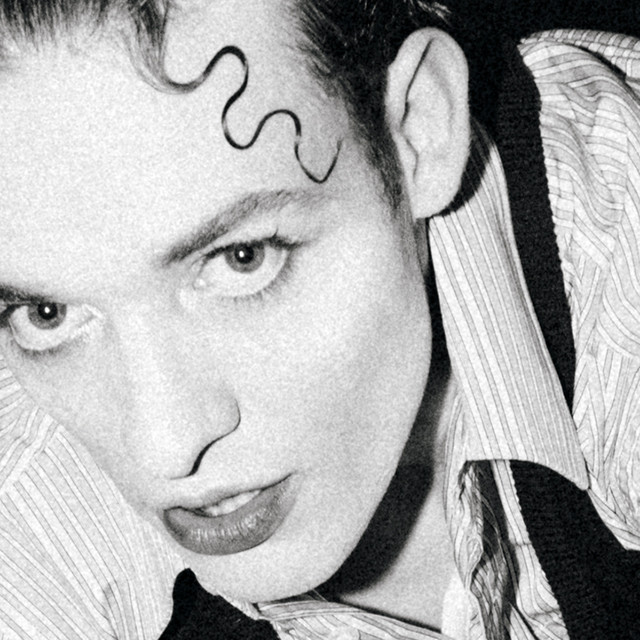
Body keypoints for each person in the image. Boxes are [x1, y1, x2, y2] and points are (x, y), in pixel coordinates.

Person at [0, 0, 639, 638]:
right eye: (45, 314)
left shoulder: (616, 238)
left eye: (243, 258)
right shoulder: (32, 505)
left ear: (418, 129)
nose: (166, 448)